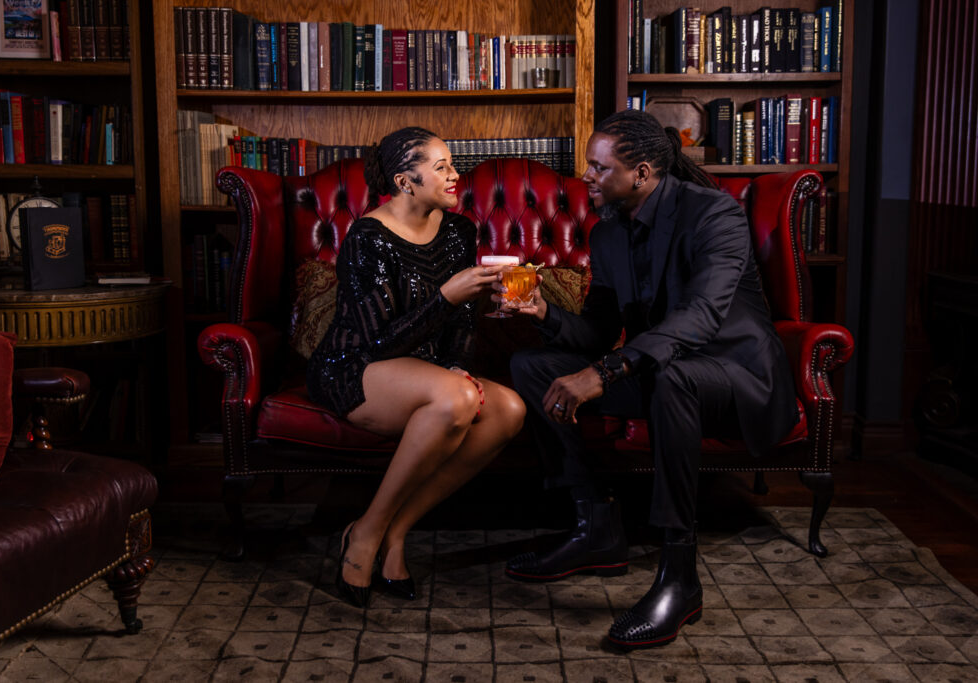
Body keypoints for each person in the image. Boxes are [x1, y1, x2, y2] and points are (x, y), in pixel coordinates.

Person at [503, 110, 799, 649]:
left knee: (676, 379)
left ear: (640, 173)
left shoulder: (715, 216)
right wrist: (542, 312)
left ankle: (679, 576)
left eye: (598, 167)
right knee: (532, 366)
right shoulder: (609, 233)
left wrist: (606, 371)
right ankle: (596, 526)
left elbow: (702, 317)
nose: (585, 177)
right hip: (659, 370)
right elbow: (597, 329)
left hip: (736, 376)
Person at [306, 127, 527, 609]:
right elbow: (377, 342)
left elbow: (464, 323)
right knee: (457, 397)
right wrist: (446, 296)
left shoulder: (458, 231)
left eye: (453, 164)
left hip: (425, 370)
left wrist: (454, 363)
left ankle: (395, 530)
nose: (455, 176)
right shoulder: (368, 237)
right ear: (406, 181)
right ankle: (364, 533)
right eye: (442, 167)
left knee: (508, 408)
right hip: (357, 366)